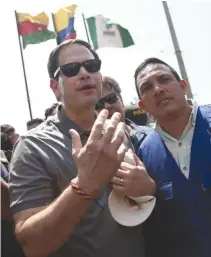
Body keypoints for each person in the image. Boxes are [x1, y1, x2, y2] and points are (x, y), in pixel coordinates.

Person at [9, 39, 155, 257]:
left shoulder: (117, 131)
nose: (85, 73)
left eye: (92, 66)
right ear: (55, 87)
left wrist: (148, 188)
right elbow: (32, 245)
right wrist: (84, 186)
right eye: (71, 69)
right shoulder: (33, 146)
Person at [134, 57, 211, 257]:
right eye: (147, 87)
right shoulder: (144, 154)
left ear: (182, 86)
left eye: (164, 79)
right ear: (143, 106)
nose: (158, 89)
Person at [95, 76, 152, 153]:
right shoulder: (91, 149)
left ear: (121, 101)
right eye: (98, 104)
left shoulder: (151, 135)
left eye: (112, 98)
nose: (107, 106)